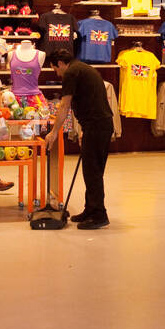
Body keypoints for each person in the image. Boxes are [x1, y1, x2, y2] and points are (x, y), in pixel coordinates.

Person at [46, 48, 115, 230]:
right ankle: (90, 209)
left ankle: (99, 215)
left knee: (92, 172)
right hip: (98, 125)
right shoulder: (84, 68)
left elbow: (64, 106)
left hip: (96, 126)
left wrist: (54, 132)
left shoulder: (71, 72)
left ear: (60, 64)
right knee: (91, 170)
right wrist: (84, 129)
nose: (58, 74)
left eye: (55, 69)